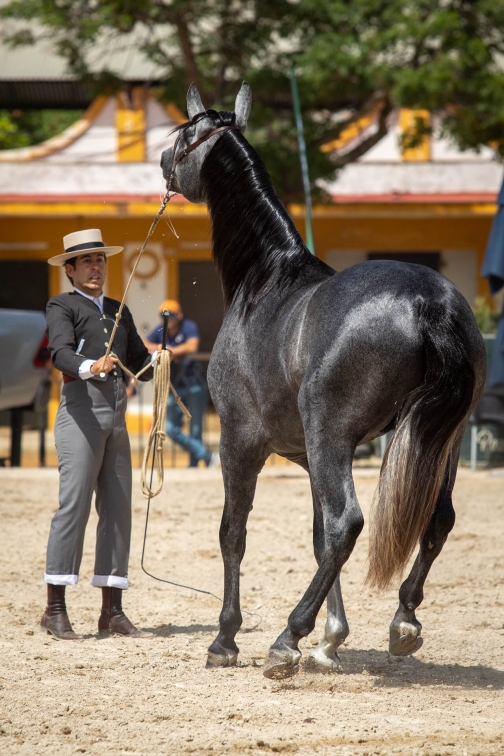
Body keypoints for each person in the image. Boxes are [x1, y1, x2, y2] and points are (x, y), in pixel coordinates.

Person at [42, 228, 158, 640]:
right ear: (70, 270)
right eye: (87, 261)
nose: (96, 267)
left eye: (101, 260)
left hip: (117, 421)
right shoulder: (62, 305)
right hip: (79, 416)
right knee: (72, 506)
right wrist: (93, 365)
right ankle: (54, 608)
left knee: (117, 510)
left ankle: (112, 612)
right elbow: (61, 354)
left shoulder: (118, 309)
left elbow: (139, 360)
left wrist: (158, 360)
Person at [144, 300, 218, 468]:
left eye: (172, 315)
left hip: (194, 384)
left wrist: (168, 351)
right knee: (170, 429)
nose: (168, 318)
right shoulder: (160, 329)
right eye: (164, 315)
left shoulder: (189, 326)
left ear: (180, 315)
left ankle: (194, 466)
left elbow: (192, 346)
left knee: (196, 429)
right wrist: (161, 348)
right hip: (174, 387)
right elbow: (143, 343)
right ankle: (207, 457)